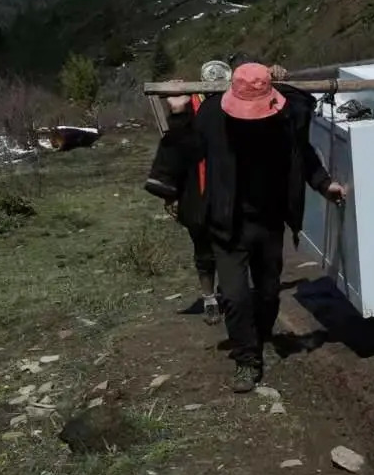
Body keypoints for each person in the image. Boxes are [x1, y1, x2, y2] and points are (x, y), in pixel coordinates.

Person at [167, 62, 346, 392]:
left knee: (268, 292)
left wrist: (323, 183)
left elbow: (303, 153)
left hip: (269, 220)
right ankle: (246, 360)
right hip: (226, 222)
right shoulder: (212, 115)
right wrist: (179, 114)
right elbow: (184, 151)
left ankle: (259, 336)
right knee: (235, 297)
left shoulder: (283, 117)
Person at [145, 60, 232, 326]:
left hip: (228, 188)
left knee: (231, 245)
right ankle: (209, 299)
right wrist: (171, 193)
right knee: (203, 248)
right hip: (196, 187)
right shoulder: (189, 106)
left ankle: (231, 293)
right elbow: (175, 150)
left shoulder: (236, 104)